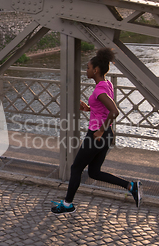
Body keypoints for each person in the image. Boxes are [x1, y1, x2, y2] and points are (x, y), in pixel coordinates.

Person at [51, 48, 142, 214]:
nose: (86, 70)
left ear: (96, 70)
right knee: (94, 172)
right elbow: (103, 109)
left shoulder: (99, 90)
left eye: (88, 67)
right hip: (107, 135)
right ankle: (131, 186)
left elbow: (114, 112)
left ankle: (67, 204)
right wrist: (88, 108)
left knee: (76, 168)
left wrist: (100, 131)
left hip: (97, 135)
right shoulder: (106, 84)